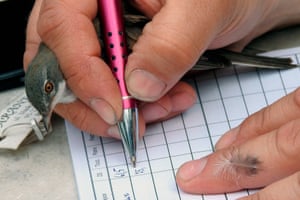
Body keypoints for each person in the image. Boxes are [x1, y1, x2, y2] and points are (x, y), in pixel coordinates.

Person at [24, 0, 300, 199]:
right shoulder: (70, 63)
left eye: (50, 91)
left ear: (53, 77)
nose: (53, 108)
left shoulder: (84, 53)